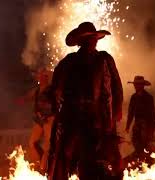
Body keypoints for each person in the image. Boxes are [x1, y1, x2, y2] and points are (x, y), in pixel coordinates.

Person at [47, 22, 123, 180]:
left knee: (97, 155)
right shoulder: (69, 61)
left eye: (94, 38)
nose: (93, 41)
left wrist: (116, 109)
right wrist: (56, 110)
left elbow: (116, 86)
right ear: (81, 41)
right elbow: (55, 88)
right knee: (63, 154)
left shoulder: (104, 59)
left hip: (96, 117)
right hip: (72, 115)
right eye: (89, 38)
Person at [16, 67, 54, 173]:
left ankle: (44, 168)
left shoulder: (52, 89)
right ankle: (40, 165)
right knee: (32, 143)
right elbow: (28, 96)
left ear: (46, 78)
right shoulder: (37, 90)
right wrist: (21, 100)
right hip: (39, 120)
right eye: (39, 75)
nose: (39, 77)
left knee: (48, 145)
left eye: (42, 75)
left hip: (49, 119)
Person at [125, 76, 155, 158]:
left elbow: (152, 112)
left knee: (145, 141)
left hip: (146, 123)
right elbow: (131, 112)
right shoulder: (133, 97)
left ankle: (145, 157)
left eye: (138, 84)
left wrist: (152, 127)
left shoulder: (148, 97)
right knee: (135, 139)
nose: (136, 86)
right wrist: (127, 126)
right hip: (137, 122)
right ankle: (139, 156)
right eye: (135, 84)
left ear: (142, 85)